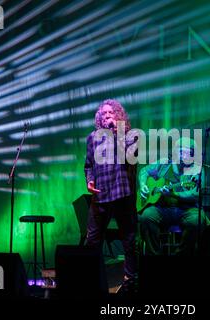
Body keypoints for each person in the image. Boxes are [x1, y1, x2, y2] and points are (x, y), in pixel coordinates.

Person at [84, 99, 138, 294]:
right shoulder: (92, 138)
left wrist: (117, 132)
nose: (107, 116)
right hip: (101, 195)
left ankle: (130, 280)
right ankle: (91, 279)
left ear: (118, 116)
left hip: (123, 193)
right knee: (92, 240)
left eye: (111, 113)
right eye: (104, 114)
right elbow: (88, 165)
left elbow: (130, 157)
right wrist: (89, 181)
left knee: (129, 241)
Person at [138, 137, 210, 256]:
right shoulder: (165, 163)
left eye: (189, 152)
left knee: (196, 221)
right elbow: (144, 171)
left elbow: (195, 194)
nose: (184, 155)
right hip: (163, 208)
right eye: (182, 151)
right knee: (147, 216)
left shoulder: (197, 169)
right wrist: (143, 184)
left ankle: (180, 258)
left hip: (188, 209)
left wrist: (175, 194)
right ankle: (154, 258)